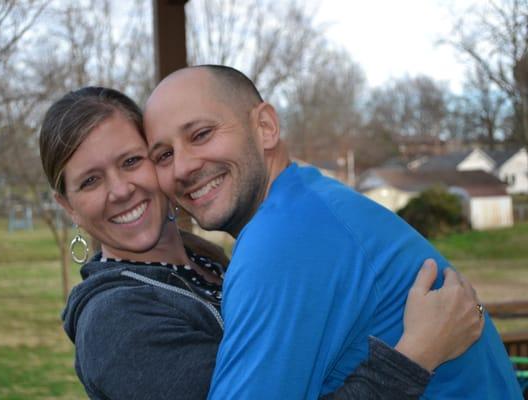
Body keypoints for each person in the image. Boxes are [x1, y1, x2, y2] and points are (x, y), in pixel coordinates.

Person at [40, 87, 482, 400]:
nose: (120, 190)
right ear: (69, 206)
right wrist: (416, 356)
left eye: (132, 161)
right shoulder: (116, 321)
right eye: (91, 181)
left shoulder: (209, 260)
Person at [144, 65, 523, 399]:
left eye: (201, 134)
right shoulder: (312, 204)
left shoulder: (284, 240)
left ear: (265, 127)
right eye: (163, 155)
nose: (182, 168)